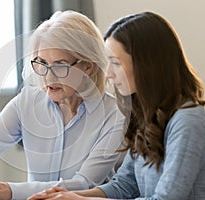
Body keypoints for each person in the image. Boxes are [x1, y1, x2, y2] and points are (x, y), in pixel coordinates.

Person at [0, 10, 125, 200]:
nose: (48, 76)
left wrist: (11, 190)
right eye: (42, 63)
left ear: (88, 65)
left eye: (60, 65)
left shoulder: (115, 116)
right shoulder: (28, 101)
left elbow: (84, 184)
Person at [27, 11, 205, 200]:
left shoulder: (188, 121)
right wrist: (68, 195)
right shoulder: (146, 118)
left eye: (116, 63)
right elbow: (124, 186)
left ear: (145, 65)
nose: (109, 73)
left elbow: (166, 199)